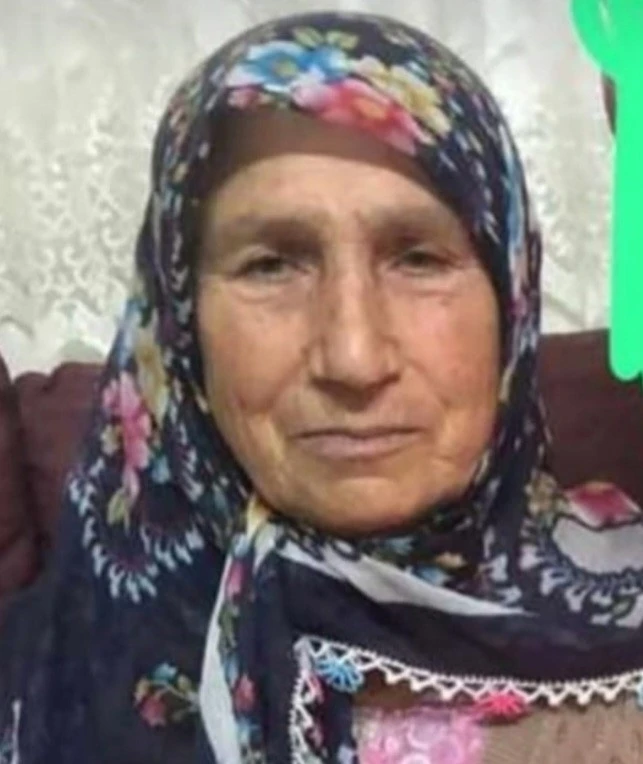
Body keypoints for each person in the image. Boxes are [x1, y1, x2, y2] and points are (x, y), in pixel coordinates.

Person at [2, 11, 643, 763]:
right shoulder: (52, 670)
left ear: (511, 303)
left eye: (419, 258)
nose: (353, 357)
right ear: (180, 320)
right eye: (270, 265)